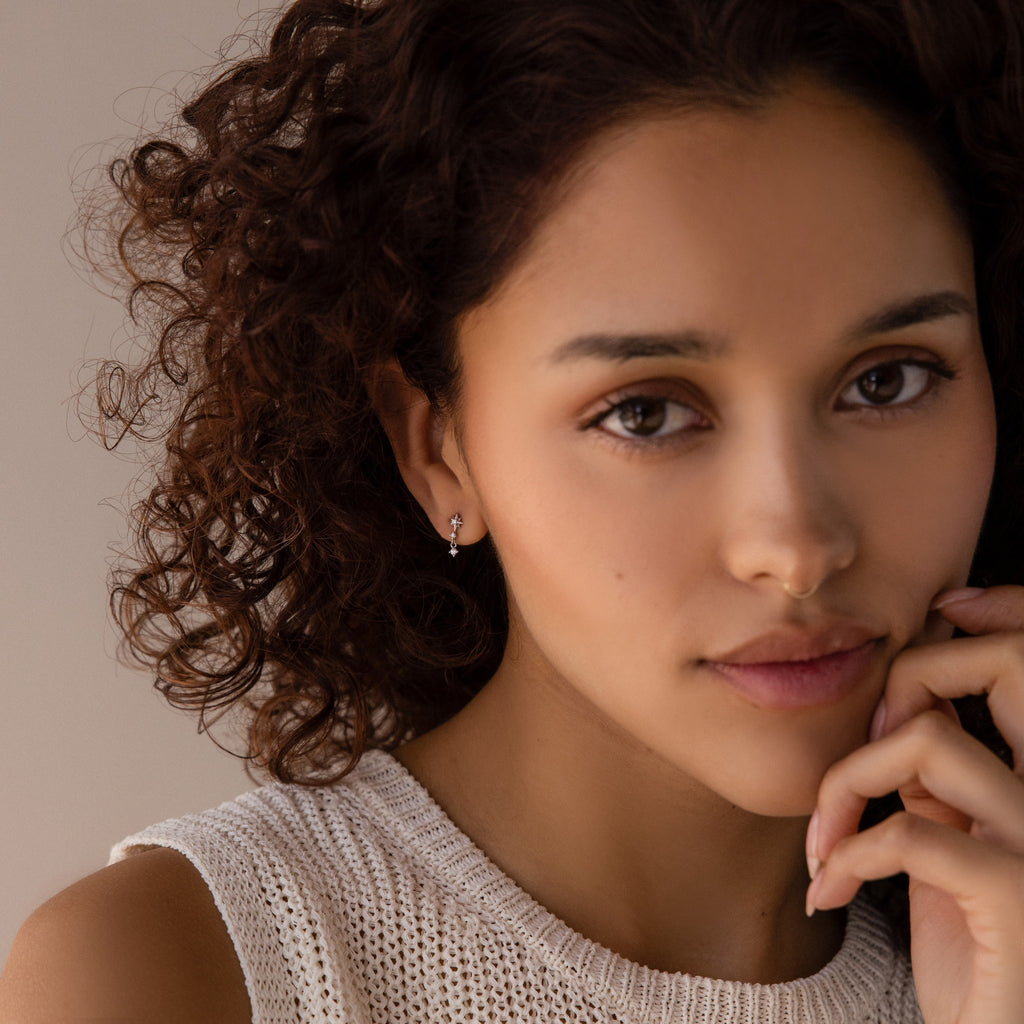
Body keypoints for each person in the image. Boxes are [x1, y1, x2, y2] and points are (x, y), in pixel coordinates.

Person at [3, 0, 1024, 1020]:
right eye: (647, 411)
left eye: (888, 382)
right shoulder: (183, 972)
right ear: (436, 449)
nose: (797, 547)